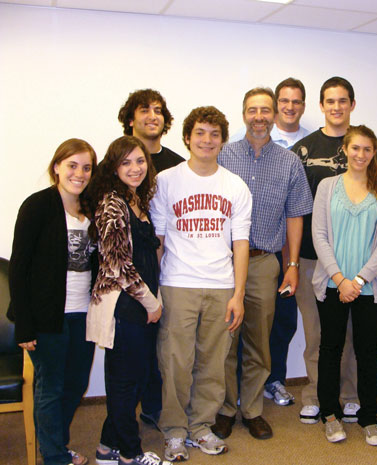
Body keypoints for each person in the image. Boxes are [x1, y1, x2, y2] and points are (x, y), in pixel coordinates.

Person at [150, 106, 251, 460]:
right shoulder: (166, 181)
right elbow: (158, 239)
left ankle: (201, 427)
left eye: (214, 134)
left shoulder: (235, 185)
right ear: (188, 138)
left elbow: (241, 243)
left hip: (222, 285)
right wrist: (155, 290)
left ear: (222, 140)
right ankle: (175, 431)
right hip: (178, 283)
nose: (207, 140)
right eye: (200, 133)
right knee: (175, 361)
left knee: (213, 362)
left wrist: (238, 294)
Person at [214, 87, 313, 440]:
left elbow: (295, 216)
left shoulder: (289, 162)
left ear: (273, 116)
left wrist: (293, 264)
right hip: (222, 263)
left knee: (259, 341)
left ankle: (252, 409)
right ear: (243, 114)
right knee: (225, 340)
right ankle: (226, 408)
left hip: (264, 263)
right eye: (253, 110)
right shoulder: (223, 155)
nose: (259, 116)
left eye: (265, 110)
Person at [292, 76, 377, 424]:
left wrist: (361, 277)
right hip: (316, 263)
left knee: (358, 342)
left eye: (343, 100)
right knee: (321, 338)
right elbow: (305, 218)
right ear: (321, 105)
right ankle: (319, 397)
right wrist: (331, 273)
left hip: (365, 273)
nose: (336, 106)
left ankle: (351, 398)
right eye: (330, 101)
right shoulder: (303, 149)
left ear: (352, 104)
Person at [8, 138, 97, 465]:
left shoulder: (91, 208)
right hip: (49, 318)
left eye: (86, 167)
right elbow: (18, 269)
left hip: (84, 315)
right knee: (50, 389)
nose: (79, 173)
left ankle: (55, 446)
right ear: (57, 167)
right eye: (72, 165)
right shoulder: (38, 206)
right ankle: (55, 457)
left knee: (76, 385)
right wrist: (24, 326)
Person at [86, 136, 171, 465]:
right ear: (114, 167)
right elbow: (118, 264)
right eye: (126, 162)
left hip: (144, 303)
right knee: (124, 385)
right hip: (124, 307)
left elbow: (149, 257)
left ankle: (107, 447)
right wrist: (151, 304)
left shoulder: (137, 199)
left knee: (133, 382)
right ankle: (131, 455)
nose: (135, 168)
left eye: (140, 161)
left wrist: (154, 299)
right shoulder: (111, 203)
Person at [312, 125, 377, 446]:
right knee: (331, 349)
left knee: (366, 352)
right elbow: (319, 235)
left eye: (367, 149)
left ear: (374, 153)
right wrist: (339, 278)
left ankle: (369, 417)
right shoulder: (326, 186)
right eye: (355, 148)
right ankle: (330, 414)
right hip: (333, 284)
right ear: (344, 150)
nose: (361, 155)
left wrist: (359, 279)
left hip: (368, 286)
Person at [118, 89, 184, 429]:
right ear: (131, 119)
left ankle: (158, 408)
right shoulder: (117, 160)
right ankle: (126, 422)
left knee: (163, 345)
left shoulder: (176, 162)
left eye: (159, 111)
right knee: (133, 353)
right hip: (129, 271)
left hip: (170, 266)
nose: (152, 116)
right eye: (144, 110)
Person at [263, 77, 311, 407]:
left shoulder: (310, 145)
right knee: (251, 320)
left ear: (303, 106)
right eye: (284, 101)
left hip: (291, 251)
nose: (290, 107)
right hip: (259, 248)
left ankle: (275, 379)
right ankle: (243, 384)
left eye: (296, 102)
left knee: (283, 319)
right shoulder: (254, 140)